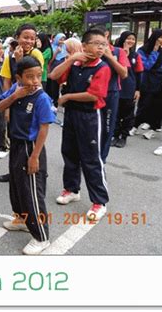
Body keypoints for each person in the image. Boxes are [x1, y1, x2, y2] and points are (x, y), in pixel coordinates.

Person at [48, 28, 110, 221]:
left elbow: (93, 95)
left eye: (103, 44)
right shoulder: (75, 64)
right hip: (72, 115)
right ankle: (71, 189)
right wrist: (70, 59)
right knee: (69, 153)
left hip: (90, 116)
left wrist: (66, 96)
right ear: (84, 46)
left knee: (91, 159)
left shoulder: (103, 68)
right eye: (96, 43)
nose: (101, 48)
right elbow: (53, 76)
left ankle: (99, 202)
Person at [0, 56, 56, 255]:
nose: (35, 81)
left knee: (32, 192)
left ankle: (41, 236)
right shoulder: (16, 89)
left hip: (31, 147)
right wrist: (15, 96)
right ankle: (22, 219)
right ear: (18, 77)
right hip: (16, 144)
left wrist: (35, 157)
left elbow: (44, 128)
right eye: (29, 77)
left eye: (39, 76)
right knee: (17, 185)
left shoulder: (41, 98)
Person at [0, 23, 44, 183]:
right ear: (17, 38)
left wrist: (20, 60)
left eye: (32, 38)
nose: (29, 41)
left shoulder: (36, 54)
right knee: (14, 136)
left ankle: (38, 168)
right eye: (25, 37)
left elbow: (32, 77)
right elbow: (7, 80)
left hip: (31, 102)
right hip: (15, 100)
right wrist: (7, 106)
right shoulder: (9, 56)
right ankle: (14, 171)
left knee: (31, 138)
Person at [94, 26, 128, 163]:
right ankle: (87, 158)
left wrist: (109, 56)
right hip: (91, 94)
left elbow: (124, 73)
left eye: (100, 38)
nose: (98, 43)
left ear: (107, 35)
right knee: (91, 127)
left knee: (107, 129)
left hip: (110, 94)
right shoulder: (91, 51)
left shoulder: (118, 52)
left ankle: (101, 160)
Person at [133, 29, 162, 140]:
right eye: (161, 37)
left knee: (158, 106)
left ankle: (153, 129)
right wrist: (155, 50)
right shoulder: (143, 50)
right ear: (154, 37)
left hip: (160, 82)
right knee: (143, 104)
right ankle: (135, 125)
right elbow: (147, 66)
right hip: (147, 81)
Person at [111, 31, 144, 148]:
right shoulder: (114, 52)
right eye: (128, 38)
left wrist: (138, 90)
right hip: (116, 86)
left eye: (133, 39)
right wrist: (122, 54)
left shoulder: (136, 56)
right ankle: (114, 135)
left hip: (129, 88)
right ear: (122, 39)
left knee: (128, 114)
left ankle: (123, 136)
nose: (130, 41)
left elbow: (139, 74)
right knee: (115, 113)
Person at [46, 33, 67, 107]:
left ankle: (56, 102)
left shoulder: (64, 47)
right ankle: (52, 102)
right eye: (60, 39)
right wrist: (56, 52)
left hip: (61, 71)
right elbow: (50, 61)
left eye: (63, 39)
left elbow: (65, 57)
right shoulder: (52, 47)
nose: (62, 41)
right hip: (53, 70)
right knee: (53, 87)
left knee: (58, 86)